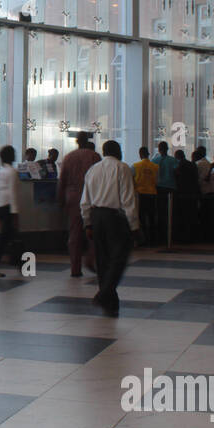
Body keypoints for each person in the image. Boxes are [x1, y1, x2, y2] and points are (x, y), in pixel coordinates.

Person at [81, 140, 139, 317]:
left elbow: (85, 200)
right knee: (119, 257)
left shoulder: (93, 170)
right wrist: (134, 225)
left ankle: (110, 303)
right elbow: (128, 199)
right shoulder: (122, 168)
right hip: (116, 218)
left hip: (97, 217)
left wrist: (87, 222)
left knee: (103, 259)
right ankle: (105, 293)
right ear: (118, 151)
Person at [58, 133, 100, 276]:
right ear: (87, 141)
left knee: (74, 233)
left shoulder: (68, 157)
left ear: (77, 142)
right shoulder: (94, 156)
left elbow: (62, 181)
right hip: (90, 196)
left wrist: (60, 200)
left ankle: (75, 268)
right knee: (92, 230)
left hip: (73, 197)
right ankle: (90, 258)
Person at [0, 145, 21, 278]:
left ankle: (20, 263)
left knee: (10, 236)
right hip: (8, 208)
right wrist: (15, 213)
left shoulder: (0, 171)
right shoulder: (12, 172)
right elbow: (13, 193)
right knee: (4, 239)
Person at [152, 141, 177, 244]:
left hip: (158, 188)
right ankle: (170, 235)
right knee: (170, 212)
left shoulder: (154, 160)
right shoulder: (173, 160)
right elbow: (176, 172)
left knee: (160, 212)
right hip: (170, 188)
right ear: (167, 149)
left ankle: (160, 236)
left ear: (159, 149)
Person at [133, 146, 158, 244]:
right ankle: (152, 239)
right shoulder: (155, 166)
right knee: (152, 217)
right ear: (148, 154)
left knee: (141, 217)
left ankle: (143, 239)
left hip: (140, 194)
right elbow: (157, 180)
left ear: (140, 154)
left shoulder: (135, 166)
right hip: (152, 193)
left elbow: (131, 179)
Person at [173, 148, 199, 242]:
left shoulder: (178, 165)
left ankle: (182, 237)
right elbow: (196, 179)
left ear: (177, 157)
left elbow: (176, 178)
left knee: (182, 216)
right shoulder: (192, 164)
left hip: (181, 194)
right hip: (192, 194)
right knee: (190, 215)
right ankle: (191, 236)